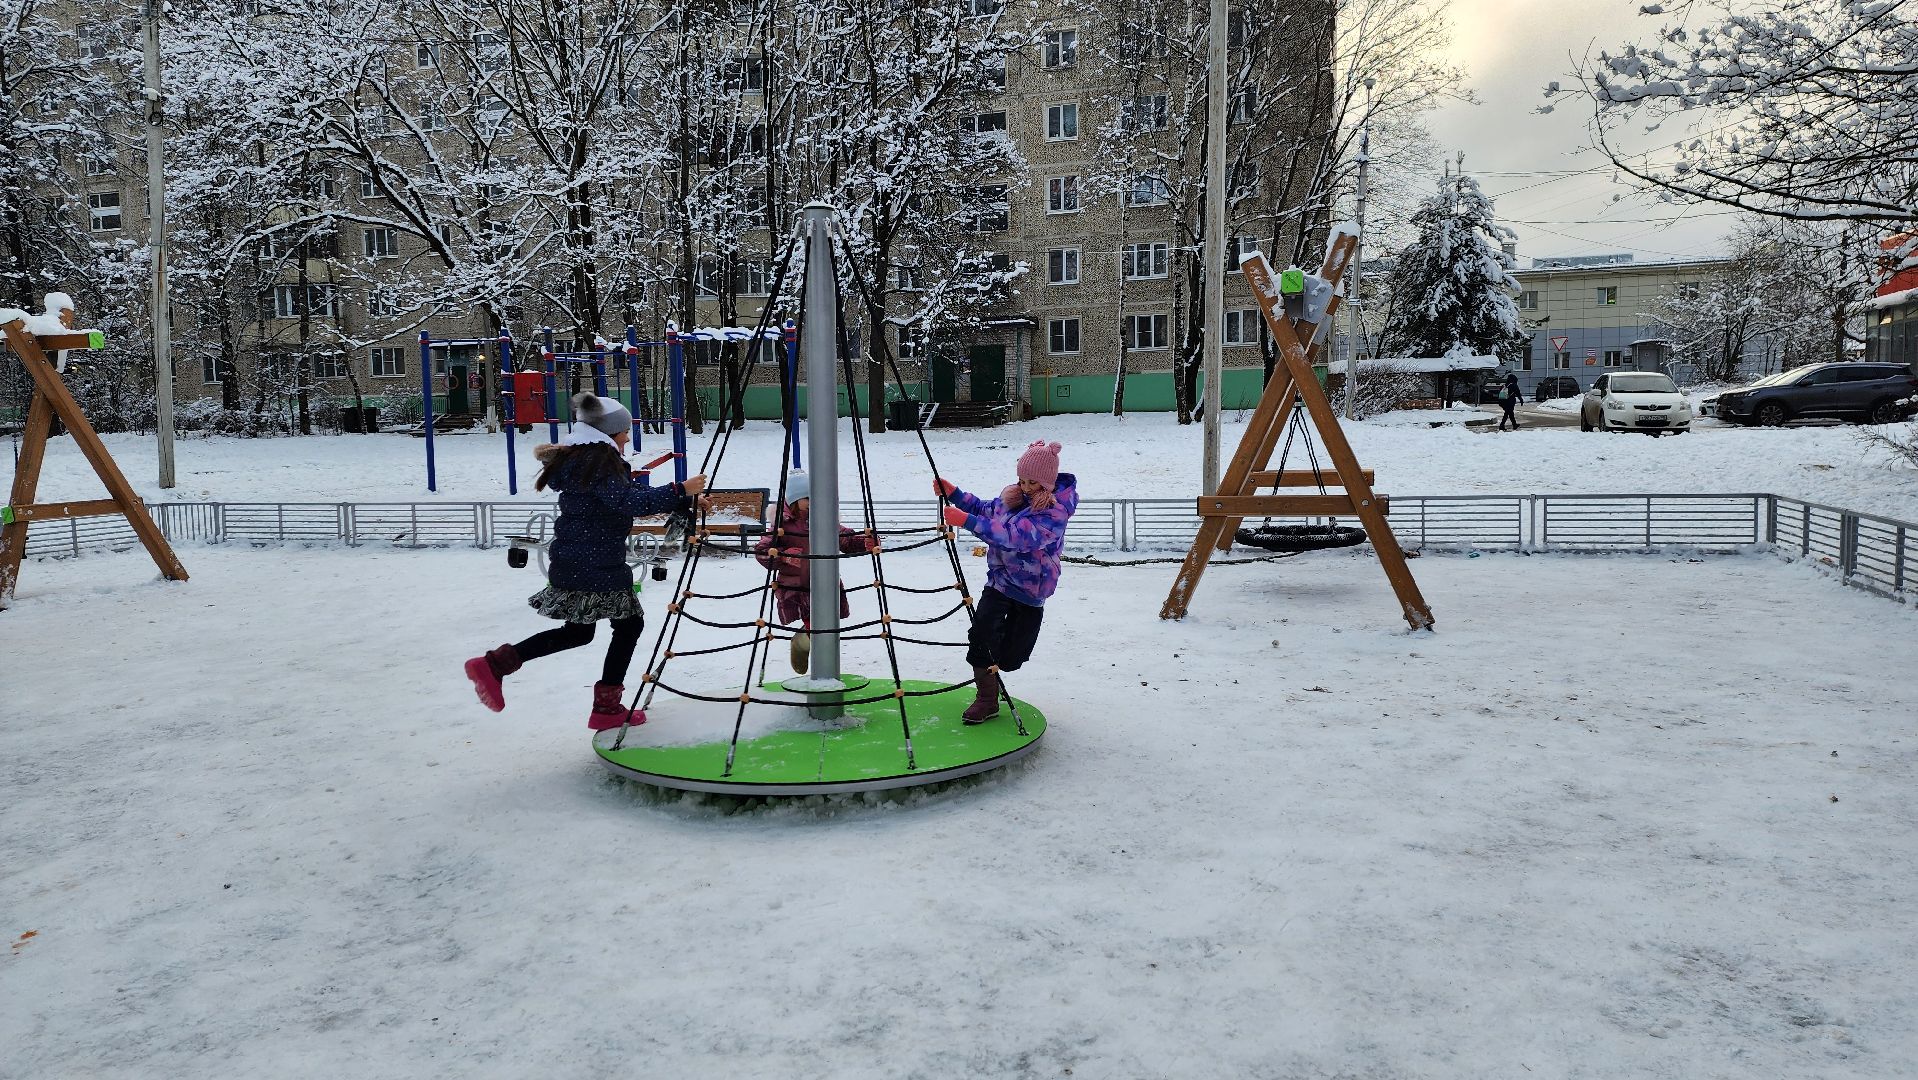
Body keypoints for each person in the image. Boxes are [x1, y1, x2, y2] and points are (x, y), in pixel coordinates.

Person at [465, 392, 707, 730]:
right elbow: (627, 503)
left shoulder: (586, 461)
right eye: (624, 431)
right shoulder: (599, 462)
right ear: (608, 432)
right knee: (628, 625)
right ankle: (605, 707)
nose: (627, 437)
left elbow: (620, 500)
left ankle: (498, 664)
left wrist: (678, 499)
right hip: (595, 564)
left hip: (580, 559)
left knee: (579, 632)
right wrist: (681, 488)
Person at [934, 440, 1078, 724]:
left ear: (1047, 484)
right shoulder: (1014, 498)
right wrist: (956, 494)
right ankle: (986, 700)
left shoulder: (1053, 513)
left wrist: (967, 522)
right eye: (1021, 480)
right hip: (999, 582)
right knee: (981, 635)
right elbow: (986, 509)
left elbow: (1017, 537)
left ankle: (1001, 663)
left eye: (1032, 482)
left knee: (1012, 657)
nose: (1025, 487)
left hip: (1030, 590)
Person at [753, 470, 879, 673]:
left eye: (815, 497)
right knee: (818, 626)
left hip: (826, 583)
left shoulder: (825, 519)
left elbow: (844, 539)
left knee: (827, 624)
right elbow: (761, 551)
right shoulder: (781, 525)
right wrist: (784, 555)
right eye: (806, 498)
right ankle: (804, 648)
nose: (812, 502)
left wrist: (864, 542)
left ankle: (802, 641)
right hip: (797, 587)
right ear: (794, 499)